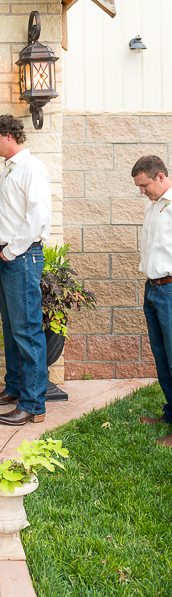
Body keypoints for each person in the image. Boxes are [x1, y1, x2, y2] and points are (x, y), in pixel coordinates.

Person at [0, 114, 51, 426]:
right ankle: (13, 388)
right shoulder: (9, 168)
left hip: (22, 257)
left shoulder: (32, 168)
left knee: (27, 331)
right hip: (8, 257)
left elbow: (36, 217)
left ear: (10, 136)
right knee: (11, 327)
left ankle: (33, 405)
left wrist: (10, 251)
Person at [131, 155, 172, 447]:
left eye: (144, 185)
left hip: (170, 290)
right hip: (152, 289)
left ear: (160, 177)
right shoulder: (152, 207)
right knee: (161, 356)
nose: (141, 191)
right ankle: (170, 414)